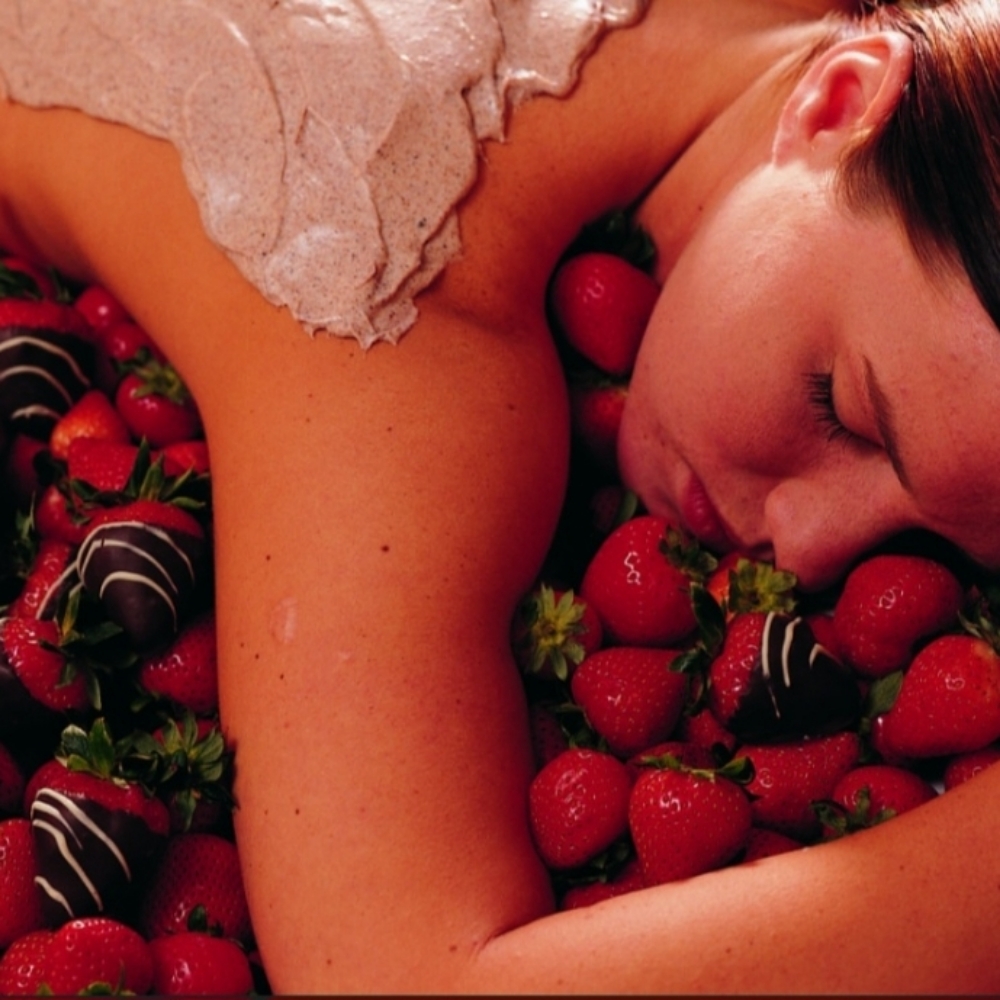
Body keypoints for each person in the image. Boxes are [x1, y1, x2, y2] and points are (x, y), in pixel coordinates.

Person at [0, 0, 998, 992]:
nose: (810, 545)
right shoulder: (395, 317)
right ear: (836, 103)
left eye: (946, 547)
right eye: (845, 409)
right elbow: (401, 977)